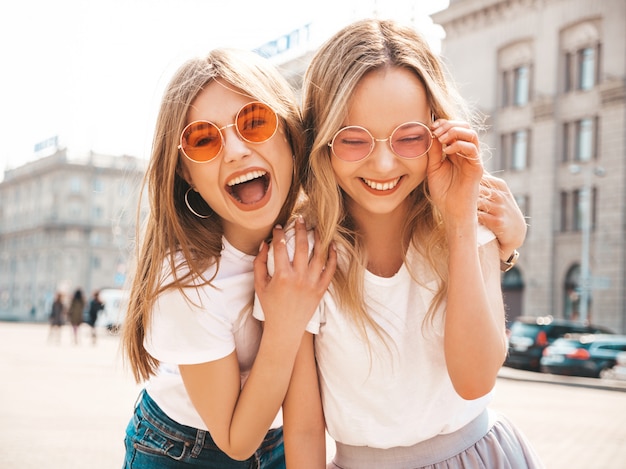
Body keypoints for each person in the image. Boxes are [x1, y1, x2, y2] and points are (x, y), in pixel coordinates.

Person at [297, 19, 542, 468]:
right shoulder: (306, 256)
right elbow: (306, 428)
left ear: (438, 128)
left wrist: (460, 220)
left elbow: (475, 380)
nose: (385, 163)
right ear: (321, 140)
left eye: (409, 137)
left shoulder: (472, 216)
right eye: (354, 140)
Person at [121, 48, 336, 469]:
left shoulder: (309, 236)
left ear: (290, 133)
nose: (236, 150)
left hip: (278, 441)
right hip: (183, 449)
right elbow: (236, 440)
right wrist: (285, 323)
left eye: (255, 122)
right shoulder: (187, 281)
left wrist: (505, 239)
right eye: (204, 139)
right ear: (186, 174)